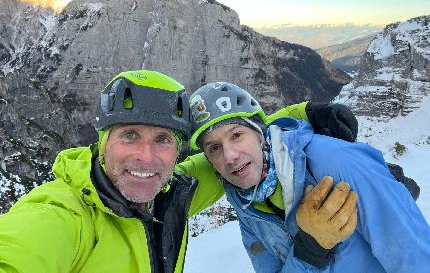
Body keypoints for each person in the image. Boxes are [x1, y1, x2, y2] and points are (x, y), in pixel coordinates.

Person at [0, 70, 358, 273]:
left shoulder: (174, 191)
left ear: (178, 152)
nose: (146, 157)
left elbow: (243, 141)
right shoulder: (60, 213)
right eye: (129, 135)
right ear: (101, 142)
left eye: (163, 139)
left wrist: (304, 114)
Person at [188, 81, 430, 272]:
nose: (229, 156)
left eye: (237, 135)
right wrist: (308, 251)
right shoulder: (246, 204)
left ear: (260, 134)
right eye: (214, 148)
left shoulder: (337, 162)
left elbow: (414, 255)